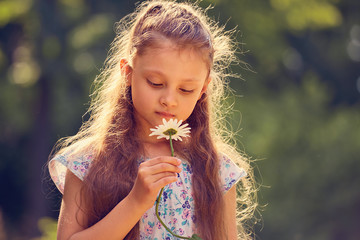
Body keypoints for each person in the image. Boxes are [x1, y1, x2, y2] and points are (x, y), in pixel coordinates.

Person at [48, 1, 257, 239]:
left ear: (203, 90)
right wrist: (136, 202)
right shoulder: (90, 161)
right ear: (128, 73)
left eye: (186, 89)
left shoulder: (215, 170)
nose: (169, 100)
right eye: (156, 83)